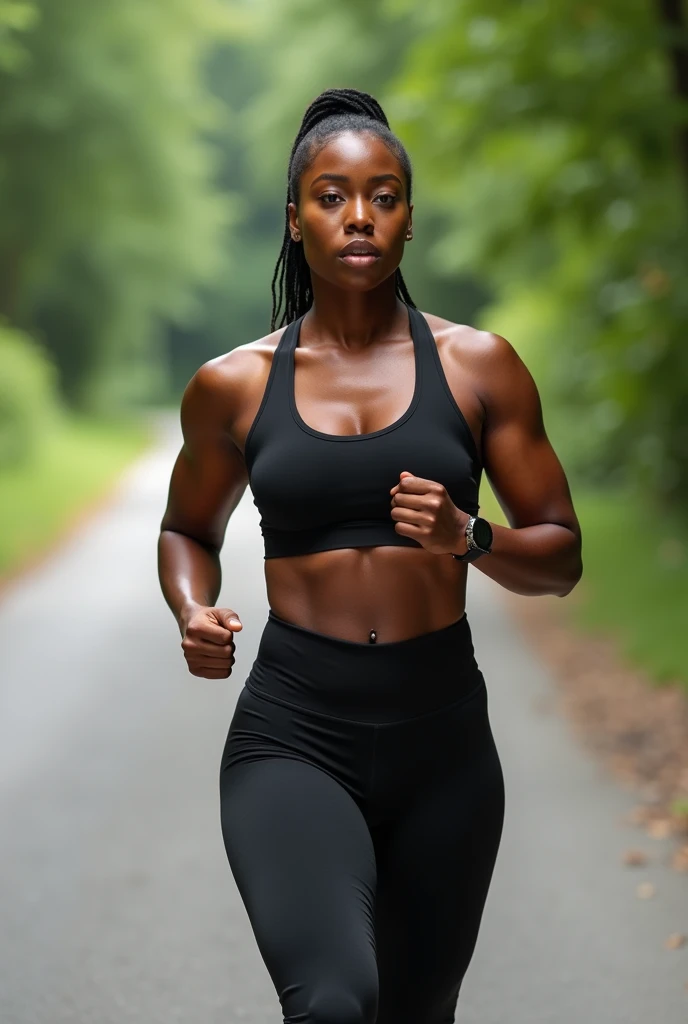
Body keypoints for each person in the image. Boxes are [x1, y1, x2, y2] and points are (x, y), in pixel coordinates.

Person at [158, 87, 583, 1024]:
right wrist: (193, 609)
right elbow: (188, 531)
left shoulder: (479, 367)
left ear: (409, 219)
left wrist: (471, 536)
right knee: (335, 1004)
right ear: (297, 217)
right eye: (334, 195)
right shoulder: (234, 385)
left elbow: (560, 556)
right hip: (295, 734)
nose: (360, 216)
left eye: (384, 196)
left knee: (416, 1011)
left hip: (445, 746)